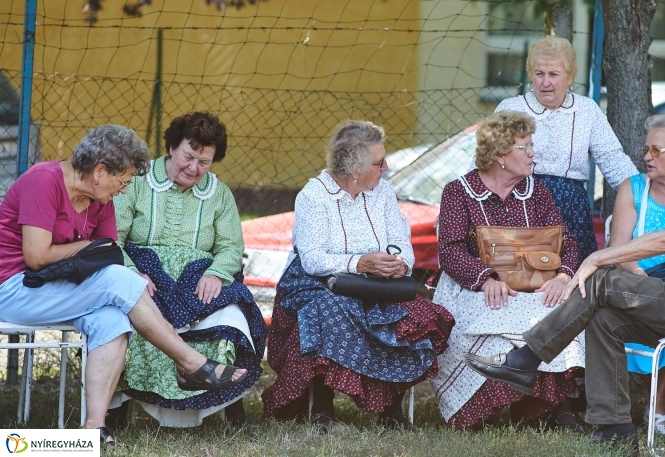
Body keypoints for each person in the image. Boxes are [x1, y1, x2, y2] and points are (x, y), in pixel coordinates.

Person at [464, 107, 665, 455]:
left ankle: (526, 359)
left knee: (603, 278)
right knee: (605, 319)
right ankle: (614, 427)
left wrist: (598, 256)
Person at [0, 125, 247, 444]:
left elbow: (109, 249)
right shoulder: (43, 180)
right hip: (14, 289)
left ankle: (93, 429)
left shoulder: (98, 199)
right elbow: (36, 256)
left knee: (113, 320)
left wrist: (96, 249)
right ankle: (188, 362)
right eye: (124, 181)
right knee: (119, 279)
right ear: (100, 171)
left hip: (60, 289)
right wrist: (89, 247)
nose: (124, 190)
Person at [261, 120, 454, 431]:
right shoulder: (314, 196)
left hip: (378, 283)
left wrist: (399, 264)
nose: (387, 167)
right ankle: (322, 411)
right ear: (353, 168)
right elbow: (313, 260)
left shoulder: (384, 192)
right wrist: (360, 264)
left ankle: (391, 411)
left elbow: (403, 245)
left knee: (415, 315)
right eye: (379, 162)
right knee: (330, 310)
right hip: (319, 283)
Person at [110, 112, 268, 427]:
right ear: (171, 147)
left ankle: (229, 403)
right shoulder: (137, 181)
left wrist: (216, 274)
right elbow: (111, 237)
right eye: (188, 157)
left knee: (230, 312)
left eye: (204, 162)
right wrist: (130, 271)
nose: (194, 168)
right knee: (132, 311)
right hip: (144, 272)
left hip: (199, 276)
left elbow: (230, 247)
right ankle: (117, 406)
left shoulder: (218, 193)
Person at [431, 111, 584, 431]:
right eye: (525, 147)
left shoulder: (536, 192)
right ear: (500, 156)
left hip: (533, 283)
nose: (533, 153)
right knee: (490, 317)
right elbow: (450, 251)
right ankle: (478, 411)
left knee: (555, 314)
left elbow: (566, 241)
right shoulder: (459, 192)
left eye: (532, 146)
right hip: (472, 285)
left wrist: (563, 275)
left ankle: (551, 407)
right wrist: (485, 278)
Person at [495, 35, 637, 261]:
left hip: (570, 208)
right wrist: (461, 204)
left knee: (570, 280)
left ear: (570, 77)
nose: (545, 82)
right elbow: (487, 160)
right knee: (522, 277)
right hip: (519, 203)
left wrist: (643, 196)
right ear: (531, 74)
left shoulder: (586, 110)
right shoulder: (511, 108)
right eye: (539, 74)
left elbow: (613, 159)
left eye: (554, 75)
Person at [608, 114, 665, 436]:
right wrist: (640, 276)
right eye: (646, 149)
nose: (647, 156)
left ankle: (657, 403)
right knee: (655, 303)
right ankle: (661, 403)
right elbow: (618, 248)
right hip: (634, 277)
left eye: (656, 150)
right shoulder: (633, 188)